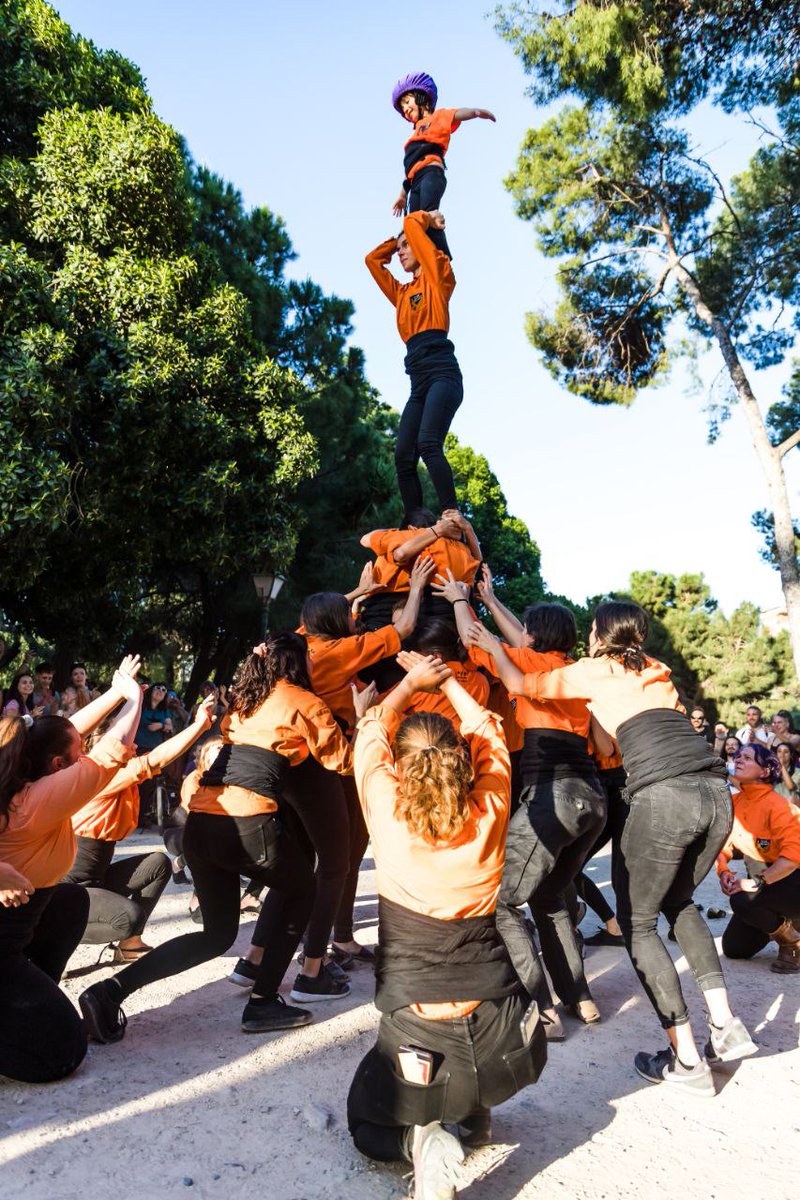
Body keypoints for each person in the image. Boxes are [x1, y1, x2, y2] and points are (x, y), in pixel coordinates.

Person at [470, 599, 757, 1095]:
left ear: (601, 635)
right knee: (680, 904)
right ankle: (724, 1023)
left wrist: (489, 642)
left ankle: (687, 1060)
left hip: (663, 792)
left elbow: (516, 682)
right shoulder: (659, 669)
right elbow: (605, 746)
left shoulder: (593, 668)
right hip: (713, 792)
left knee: (639, 923)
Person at [78, 634, 345, 1043]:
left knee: (216, 935)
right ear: (296, 663)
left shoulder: (244, 703)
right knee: (304, 885)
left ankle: (110, 991)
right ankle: (264, 1001)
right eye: (309, 658)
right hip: (246, 822)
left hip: (200, 823)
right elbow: (339, 759)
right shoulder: (304, 701)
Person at [347, 652, 545, 1198]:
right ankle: (475, 1120)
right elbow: (492, 737)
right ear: (459, 759)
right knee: (466, 1064)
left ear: (399, 766)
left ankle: (423, 1142)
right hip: (498, 1031)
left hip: (420, 1032)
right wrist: (453, 682)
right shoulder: (490, 811)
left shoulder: (387, 813)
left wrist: (409, 684)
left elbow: (368, 734)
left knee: (365, 1125)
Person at [440, 567, 607, 1033]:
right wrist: (490, 600)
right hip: (591, 798)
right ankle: (581, 999)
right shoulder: (572, 670)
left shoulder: (526, 663)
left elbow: (473, 639)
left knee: (502, 899)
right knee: (551, 897)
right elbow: (519, 638)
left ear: (533, 637)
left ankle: (542, 1007)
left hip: (552, 794)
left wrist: (459, 597)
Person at [0, 657, 143, 1083]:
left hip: (22, 918)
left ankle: (26, 1000)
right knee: (63, 1052)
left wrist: (117, 692)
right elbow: (107, 755)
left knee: (70, 901)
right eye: (73, 756)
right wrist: (133, 703)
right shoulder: (36, 801)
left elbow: (61, 734)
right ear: (59, 766)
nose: (80, 752)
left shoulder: (25, 765)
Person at [300, 578, 427, 966]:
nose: (357, 620)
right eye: (349, 615)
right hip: (340, 757)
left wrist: (352, 596)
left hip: (308, 758)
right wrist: (418, 584)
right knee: (347, 853)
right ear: (338, 622)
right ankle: (327, 943)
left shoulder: (302, 643)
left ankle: (330, 935)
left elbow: (311, 618)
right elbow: (403, 629)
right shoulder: (340, 651)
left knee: (327, 855)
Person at [63, 696, 216, 961]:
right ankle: (54, 934)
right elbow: (156, 759)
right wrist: (199, 726)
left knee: (158, 863)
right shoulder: (97, 775)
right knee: (129, 917)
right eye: (123, 739)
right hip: (68, 891)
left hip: (96, 881)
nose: (132, 743)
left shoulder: (112, 774)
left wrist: (127, 695)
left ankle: (129, 944)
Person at [365, 209, 464, 519]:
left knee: (428, 443)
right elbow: (371, 261)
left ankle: (451, 514)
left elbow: (411, 223)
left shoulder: (438, 276)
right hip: (418, 382)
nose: (402, 252)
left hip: (443, 375)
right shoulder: (402, 293)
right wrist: (395, 243)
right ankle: (416, 521)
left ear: (423, 248)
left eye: (408, 246)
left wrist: (427, 219)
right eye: (400, 248)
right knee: (403, 454)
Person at [389, 71, 495, 257]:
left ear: (421, 98)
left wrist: (476, 113)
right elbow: (409, 174)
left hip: (431, 172)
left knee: (429, 214)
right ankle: (423, 265)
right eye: (402, 106)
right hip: (415, 182)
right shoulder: (413, 137)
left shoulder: (437, 117)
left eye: (407, 102)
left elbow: (457, 114)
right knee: (413, 223)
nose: (405, 109)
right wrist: (401, 196)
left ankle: (443, 257)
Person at [718, 743, 800, 973]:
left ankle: (792, 942)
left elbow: (794, 857)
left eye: (748, 757)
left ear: (765, 771)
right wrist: (724, 871)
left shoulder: (779, 806)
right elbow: (723, 846)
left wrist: (757, 883)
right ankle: (784, 921)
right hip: (765, 887)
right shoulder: (735, 803)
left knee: (743, 899)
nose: (739, 760)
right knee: (734, 948)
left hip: (792, 882)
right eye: (738, 756)